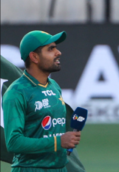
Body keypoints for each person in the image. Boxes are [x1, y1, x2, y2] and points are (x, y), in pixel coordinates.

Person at [2, 30, 81, 172]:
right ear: (34, 57)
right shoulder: (16, 92)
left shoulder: (54, 86)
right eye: (51, 49)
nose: (58, 52)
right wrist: (58, 142)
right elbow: (13, 143)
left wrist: (67, 142)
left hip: (59, 168)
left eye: (56, 47)